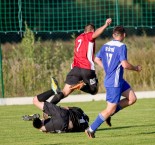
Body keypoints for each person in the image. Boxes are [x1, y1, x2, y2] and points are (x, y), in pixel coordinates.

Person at [85, 25, 142, 138]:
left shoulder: (106, 45)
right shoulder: (122, 46)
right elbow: (125, 65)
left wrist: (106, 68)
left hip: (118, 80)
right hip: (114, 83)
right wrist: (136, 68)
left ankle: (110, 113)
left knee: (132, 99)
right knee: (109, 109)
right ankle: (91, 129)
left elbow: (96, 59)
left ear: (113, 35)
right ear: (124, 35)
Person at [50, 18, 112, 105]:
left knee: (64, 93)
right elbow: (96, 33)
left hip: (75, 69)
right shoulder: (89, 36)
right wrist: (105, 25)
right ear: (91, 30)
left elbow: (87, 54)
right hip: (86, 68)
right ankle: (81, 86)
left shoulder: (78, 38)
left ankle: (48, 108)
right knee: (94, 90)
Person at [22, 90, 89, 133]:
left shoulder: (80, 111)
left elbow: (66, 108)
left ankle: (53, 90)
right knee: (43, 127)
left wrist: (59, 107)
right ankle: (39, 122)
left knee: (35, 100)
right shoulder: (85, 126)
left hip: (63, 118)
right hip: (66, 126)